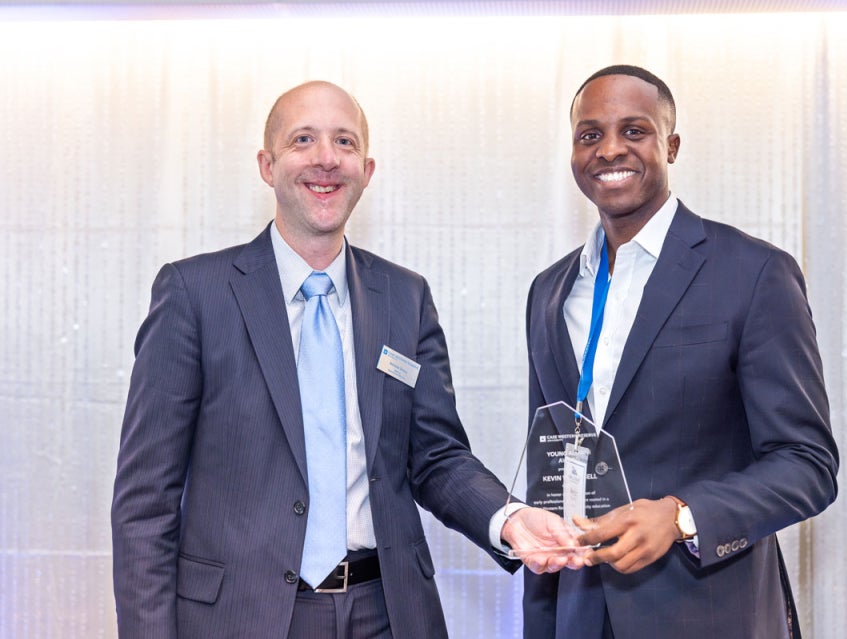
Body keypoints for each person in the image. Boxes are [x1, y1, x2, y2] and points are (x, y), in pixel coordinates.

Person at [111, 80, 578, 639]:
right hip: (239, 617)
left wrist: (511, 518)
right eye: (303, 139)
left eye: (345, 142)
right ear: (267, 164)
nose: (326, 159)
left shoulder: (405, 298)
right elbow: (145, 501)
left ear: (368, 168)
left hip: (386, 611)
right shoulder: (195, 293)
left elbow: (436, 457)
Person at [522, 65, 840, 638]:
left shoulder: (754, 272)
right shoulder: (549, 291)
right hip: (578, 611)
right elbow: (552, 459)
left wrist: (680, 515)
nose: (609, 148)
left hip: (710, 613)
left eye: (634, 130)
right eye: (589, 134)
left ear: (670, 144)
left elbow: (807, 464)